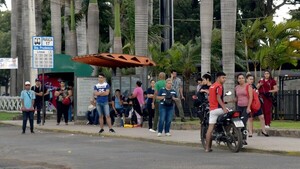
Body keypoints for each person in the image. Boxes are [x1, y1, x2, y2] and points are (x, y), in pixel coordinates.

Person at [205, 72, 228, 152]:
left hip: (212, 110)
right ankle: (227, 133)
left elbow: (210, 97)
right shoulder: (219, 86)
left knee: (210, 129)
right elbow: (219, 98)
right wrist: (224, 108)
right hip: (219, 109)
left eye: (225, 78)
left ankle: (207, 148)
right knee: (230, 114)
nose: (224, 79)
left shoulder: (212, 86)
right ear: (218, 78)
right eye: (223, 78)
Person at [234, 73, 253, 145]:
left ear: (244, 79)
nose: (241, 79)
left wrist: (248, 107)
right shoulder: (237, 87)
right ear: (237, 79)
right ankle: (239, 137)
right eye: (239, 78)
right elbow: (237, 97)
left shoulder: (248, 86)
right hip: (239, 106)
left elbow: (251, 97)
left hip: (246, 106)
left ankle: (244, 138)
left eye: (242, 78)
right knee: (238, 122)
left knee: (243, 122)